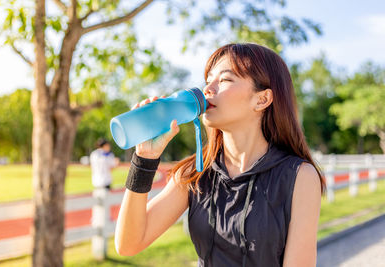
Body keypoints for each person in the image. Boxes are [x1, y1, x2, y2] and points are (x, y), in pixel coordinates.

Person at [115, 43, 325, 267]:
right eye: (208, 80)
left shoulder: (299, 176)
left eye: (224, 80)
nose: (208, 89)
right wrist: (144, 159)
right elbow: (128, 244)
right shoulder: (196, 172)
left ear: (262, 99)